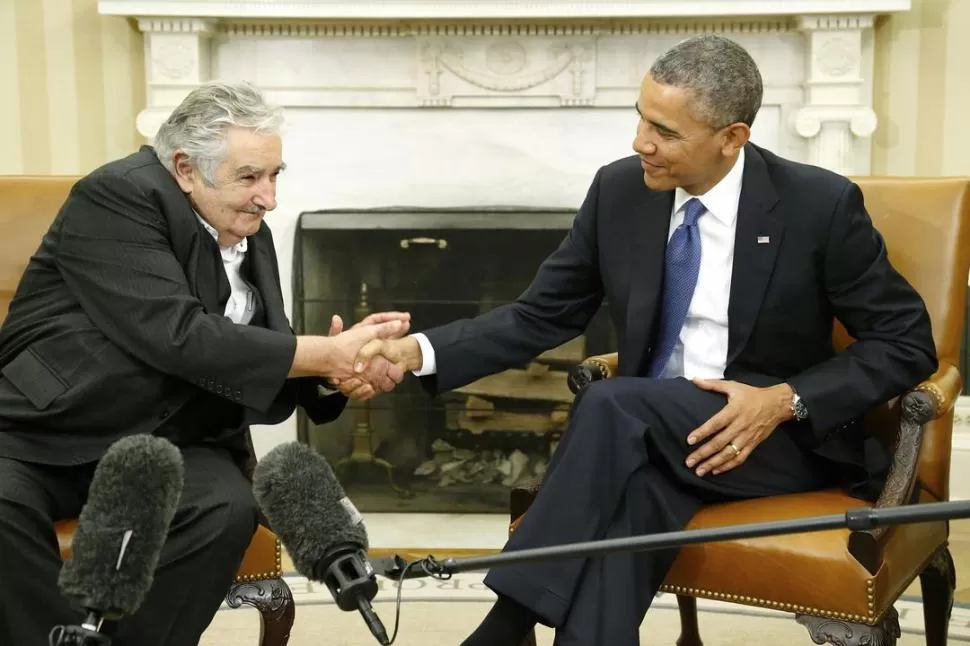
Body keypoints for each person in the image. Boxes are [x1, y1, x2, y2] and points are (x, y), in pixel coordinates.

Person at [347, 35, 938, 645]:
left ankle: (505, 625)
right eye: (640, 117)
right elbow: (539, 316)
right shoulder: (620, 192)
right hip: (643, 442)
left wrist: (783, 399)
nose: (641, 143)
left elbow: (905, 342)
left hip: (769, 439)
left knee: (609, 401)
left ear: (731, 137)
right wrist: (417, 351)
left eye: (666, 131)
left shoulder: (819, 204)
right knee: (636, 507)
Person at [0, 81, 408, 645]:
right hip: (48, 429)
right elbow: (178, 335)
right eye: (249, 177)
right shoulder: (117, 196)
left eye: (274, 175)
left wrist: (333, 373)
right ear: (186, 167)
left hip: (175, 438)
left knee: (224, 509)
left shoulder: (241, 223)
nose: (269, 197)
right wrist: (321, 352)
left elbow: (254, 346)